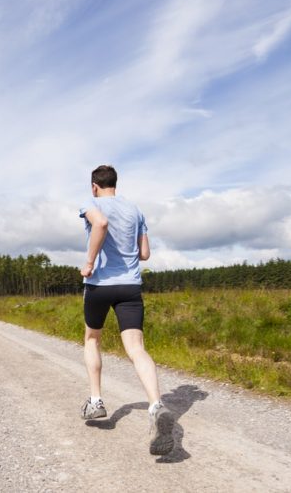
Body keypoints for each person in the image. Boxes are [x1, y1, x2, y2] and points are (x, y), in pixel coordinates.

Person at [78, 164, 172, 456]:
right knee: (136, 348)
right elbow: (144, 253)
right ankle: (156, 405)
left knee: (93, 338)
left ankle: (96, 401)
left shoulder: (91, 203)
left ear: (95, 186)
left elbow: (101, 224)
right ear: (115, 184)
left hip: (100, 285)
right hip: (130, 286)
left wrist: (90, 262)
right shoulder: (135, 210)